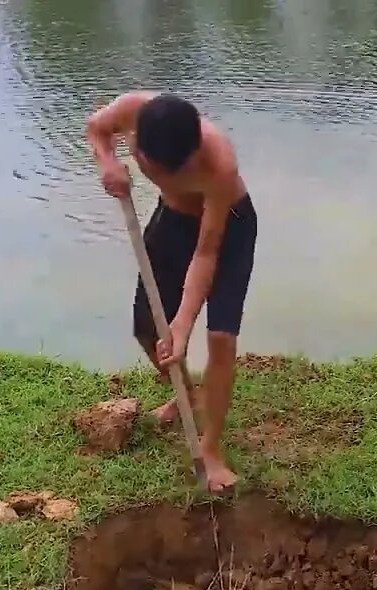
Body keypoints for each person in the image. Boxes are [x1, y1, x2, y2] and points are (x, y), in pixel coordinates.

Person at [85, 91, 257, 493]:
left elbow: (207, 251)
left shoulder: (219, 163)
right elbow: (96, 128)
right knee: (146, 328)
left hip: (227, 229)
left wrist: (183, 322)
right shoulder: (133, 110)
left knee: (220, 338)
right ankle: (187, 398)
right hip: (172, 220)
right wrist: (108, 162)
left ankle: (211, 449)